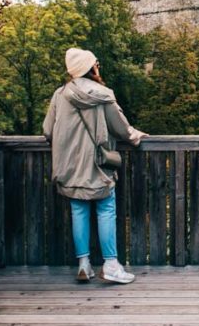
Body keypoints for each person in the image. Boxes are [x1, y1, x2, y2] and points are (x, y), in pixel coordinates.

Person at [43, 48, 146, 284]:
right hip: (98, 165)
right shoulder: (103, 95)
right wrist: (135, 136)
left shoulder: (60, 95)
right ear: (92, 68)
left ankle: (84, 264)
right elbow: (121, 128)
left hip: (69, 166)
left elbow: (47, 131)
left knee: (78, 210)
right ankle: (110, 264)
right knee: (106, 209)